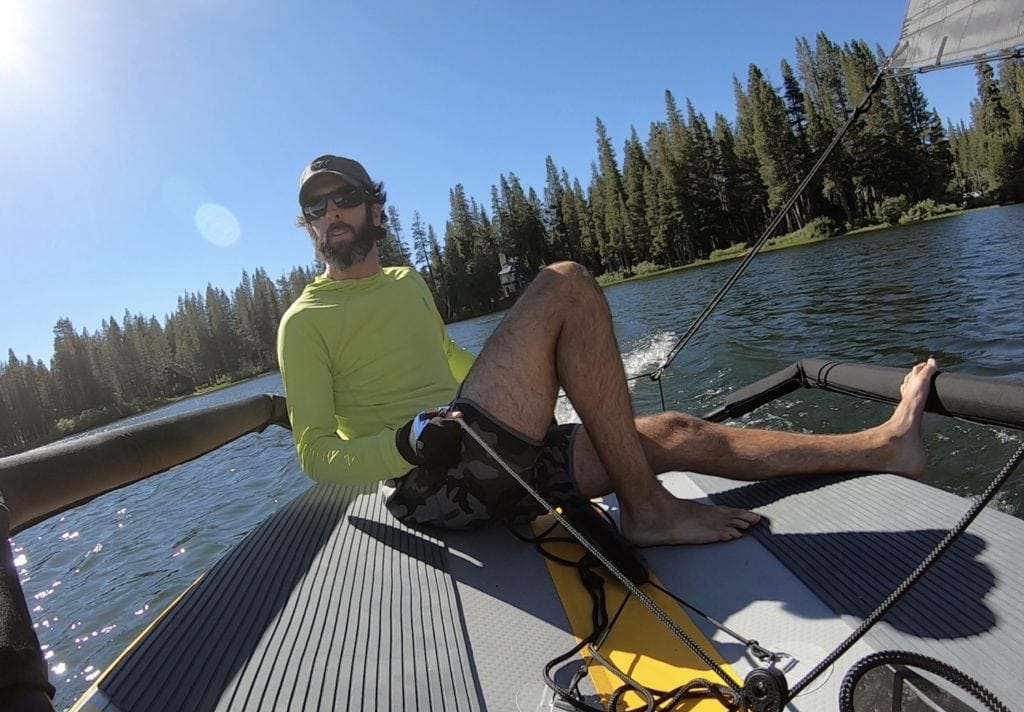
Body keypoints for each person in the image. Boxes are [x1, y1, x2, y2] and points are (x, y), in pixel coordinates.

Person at [277, 154, 938, 546]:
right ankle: (647, 511)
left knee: (676, 429)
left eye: (345, 199)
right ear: (309, 228)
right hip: (430, 488)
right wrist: (406, 441)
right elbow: (315, 456)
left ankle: (885, 446)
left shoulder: (406, 283)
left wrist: (556, 382)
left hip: (489, 453)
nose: (331, 213)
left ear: (375, 211)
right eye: (317, 208)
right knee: (563, 283)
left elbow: (448, 356)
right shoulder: (303, 324)